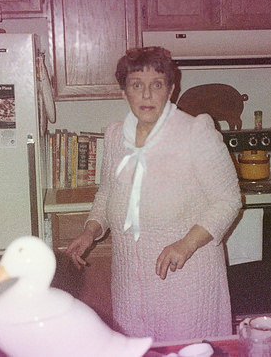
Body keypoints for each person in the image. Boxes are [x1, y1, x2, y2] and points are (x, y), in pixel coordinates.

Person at [65, 46, 242, 342]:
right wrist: (90, 230)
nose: (146, 95)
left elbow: (228, 200)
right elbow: (107, 192)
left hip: (185, 278)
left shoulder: (195, 132)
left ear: (170, 90)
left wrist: (186, 244)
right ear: (125, 92)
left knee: (186, 348)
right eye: (137, 85)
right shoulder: (114, 135)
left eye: (156, 85)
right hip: (129, 283)